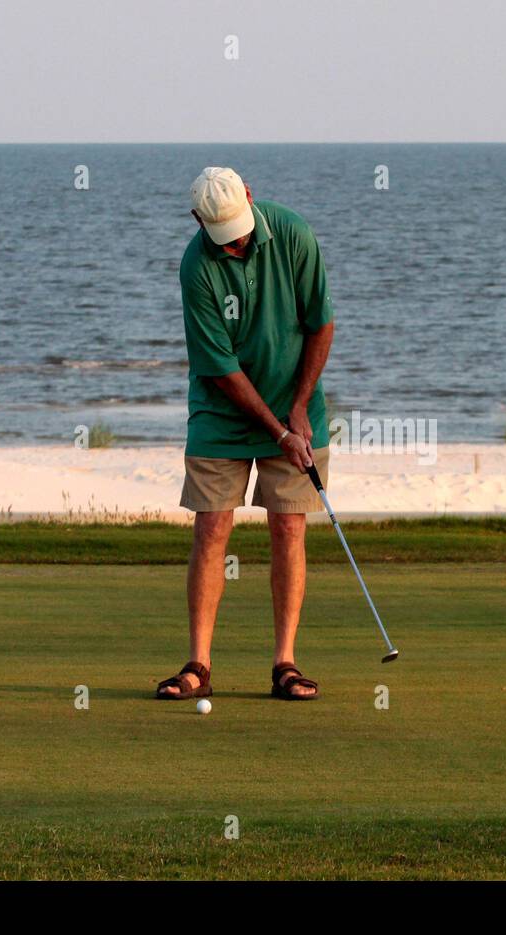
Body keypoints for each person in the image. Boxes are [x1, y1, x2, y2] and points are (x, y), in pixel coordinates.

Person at [156, 167, 334, 702]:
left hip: (295, 401)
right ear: (197, 221)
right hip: (222, 408)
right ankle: (198, 664)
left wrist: (297, 410)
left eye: (238, 227)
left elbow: (320, 323)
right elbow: (222, 368)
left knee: (289, 527)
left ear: (251, 198)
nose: (234, 242)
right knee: (211, 528)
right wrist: (277, 431)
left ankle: (285, 663)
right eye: (221, 234)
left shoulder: (294, 233)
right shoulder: (196, 267)